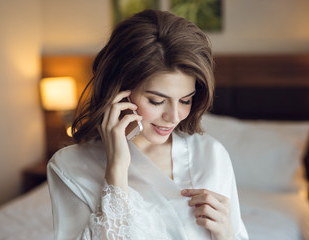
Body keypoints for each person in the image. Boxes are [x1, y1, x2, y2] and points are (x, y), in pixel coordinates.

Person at [47, 9, 248, 240]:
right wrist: (116, 169)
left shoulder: (211, 155)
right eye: (156, 101)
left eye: (186, 100)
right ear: (118, 90)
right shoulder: (69, 167)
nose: (174, 116)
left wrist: (226, 234)